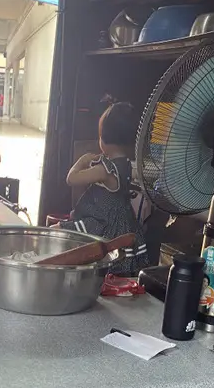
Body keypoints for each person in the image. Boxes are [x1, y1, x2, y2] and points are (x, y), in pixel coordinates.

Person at [58, 102, 149, 276]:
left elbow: (72, 179)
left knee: (58, 233)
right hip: (123, 225)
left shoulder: (104, 170)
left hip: (103, 224)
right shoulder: (128, 166)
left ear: (103, 140)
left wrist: (82, 161)